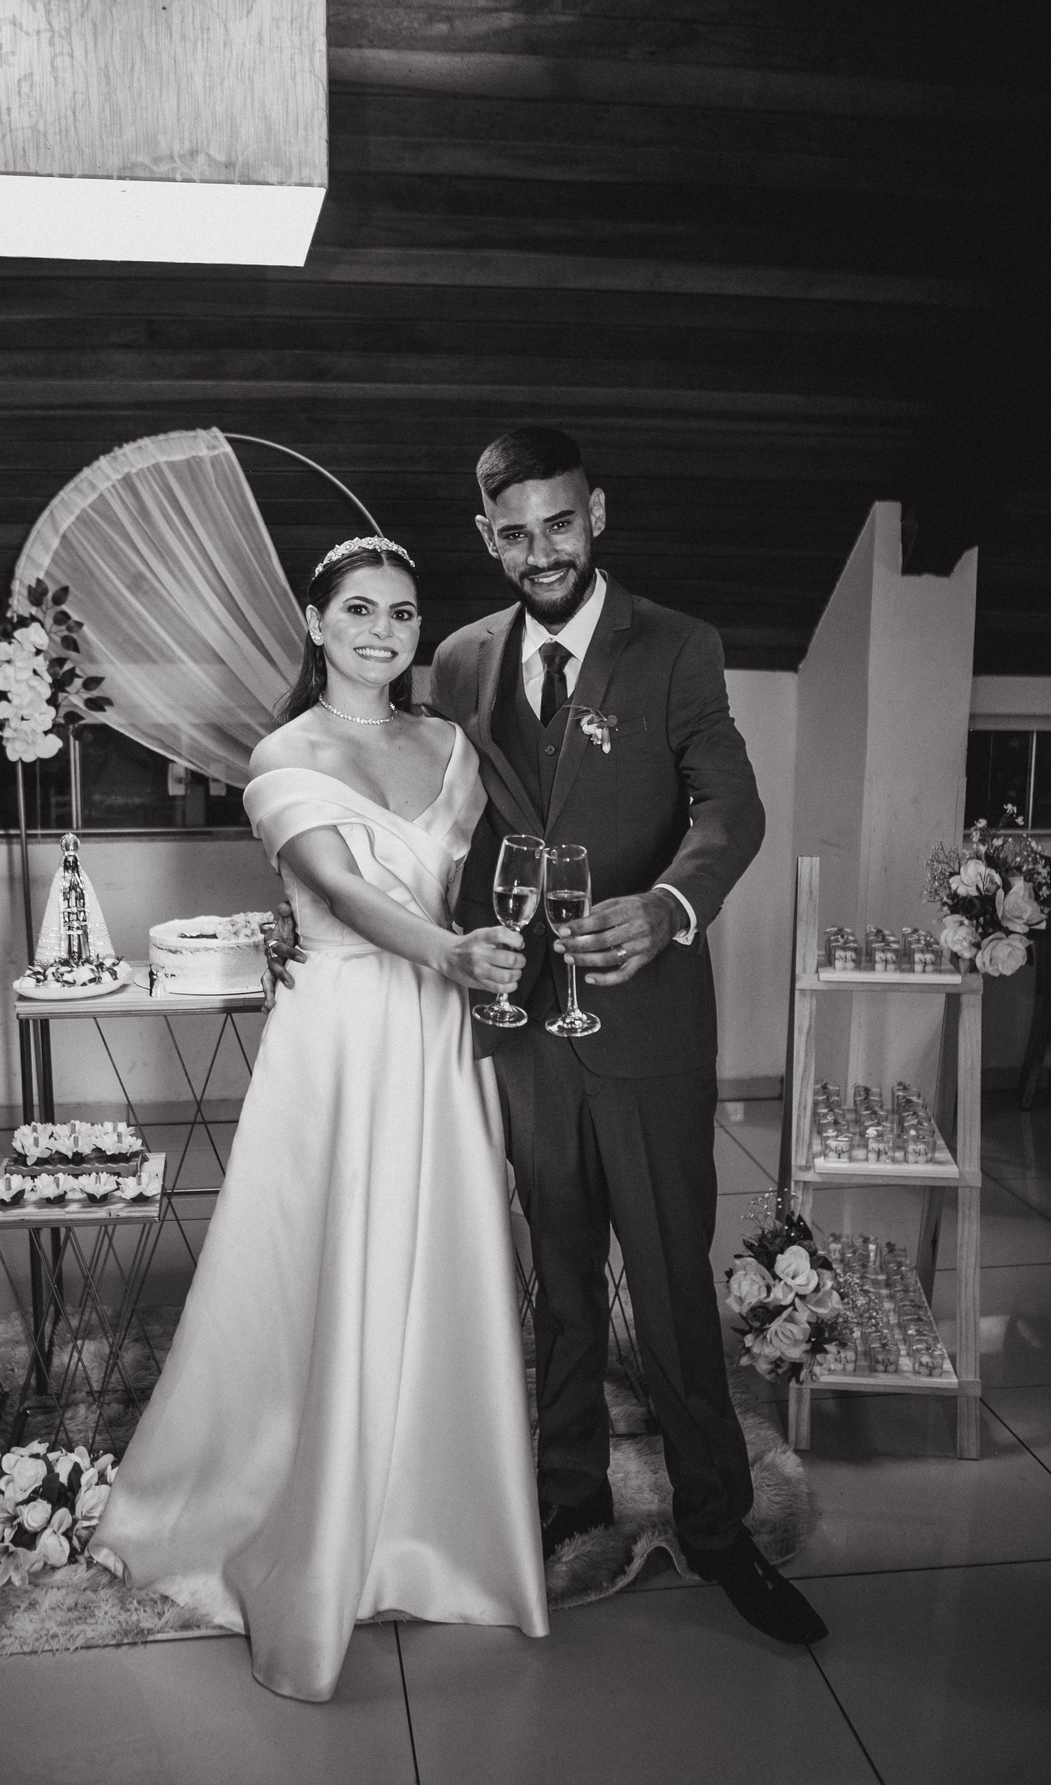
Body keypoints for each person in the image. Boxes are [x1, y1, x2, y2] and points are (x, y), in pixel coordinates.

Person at [272, 428, 827, 1647]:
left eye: (560, 524)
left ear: (597, 515)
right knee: (558, 1281)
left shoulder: (678, 646)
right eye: (515, 534)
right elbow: (434, 816)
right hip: (521, 1025)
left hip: (647, 1025)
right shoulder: (461, 657)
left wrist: (670, 905)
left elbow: (730, 804)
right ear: (488, 539)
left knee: (671, 1289)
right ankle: (570, 1501)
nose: (542, 552)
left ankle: (721, 1527)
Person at [92, 535, 549, 1702]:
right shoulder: (282, 754)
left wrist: (497, 943)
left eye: (401, 612)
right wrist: (451, 952)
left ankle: (438, 1517)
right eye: (359, 609)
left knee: (441, 1256)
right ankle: (302, 1507)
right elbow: (342, 891)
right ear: (314, 621)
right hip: (342, 1032)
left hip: (440, 1033)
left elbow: (500, 867)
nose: (383, 631)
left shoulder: (453, 746)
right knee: (325, 1263)